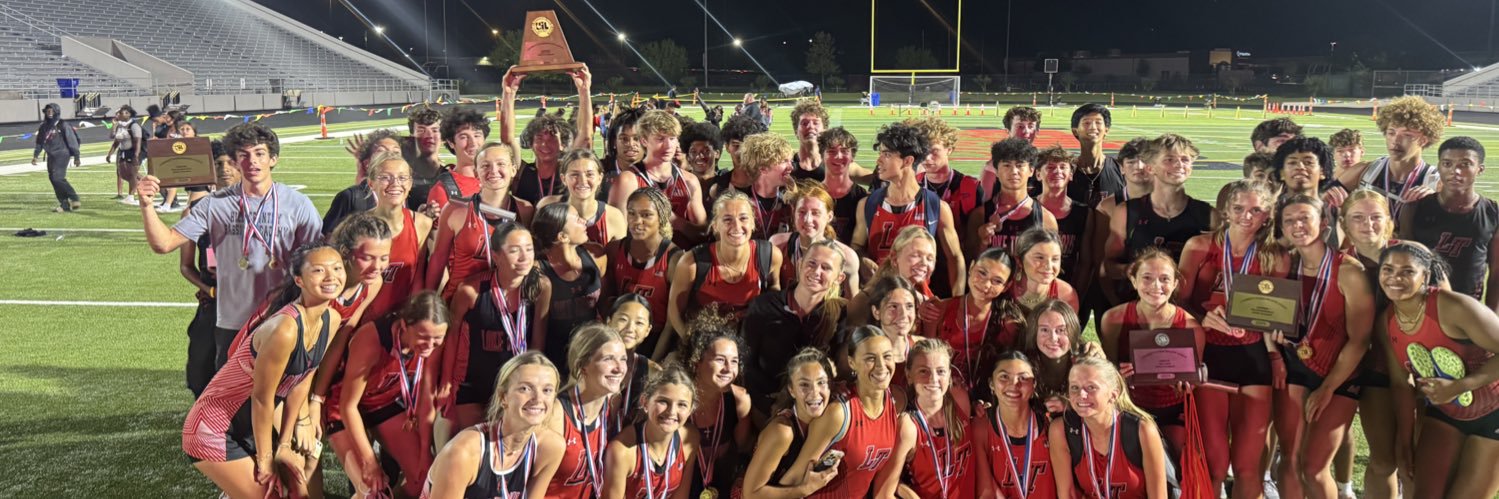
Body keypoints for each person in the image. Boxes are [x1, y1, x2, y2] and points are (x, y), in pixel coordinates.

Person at [139, 122, 323, 370]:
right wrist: (147, 205)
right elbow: (164, 243)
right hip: (232, 322)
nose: (252, 162)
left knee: (280, 399)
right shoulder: (215, 204)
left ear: (273, 159)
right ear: (236, 162)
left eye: (259, 153)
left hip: (284, 318)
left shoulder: (298, 204)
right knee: (232, 403)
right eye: (243, 155)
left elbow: (316, 262)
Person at [181, 244, 344, 498]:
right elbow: (262, 398)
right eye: (319, 270)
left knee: (297, 493)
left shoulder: (331, 320)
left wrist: (285, 445)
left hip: (249, 427)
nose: (331, 277)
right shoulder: (285, 329)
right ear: (299, 280)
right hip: (213, 428)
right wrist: (267, 459)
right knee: (272, 494)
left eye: (337, 268)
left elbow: (302, 381)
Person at [1176, 179, 1284, 498]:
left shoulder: (1274, 256)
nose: (1246, 216)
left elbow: (1279, 316)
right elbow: (1177, 302)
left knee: (1249, 467)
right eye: (1238, 209)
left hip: (1254, 359)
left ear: (1267, 215)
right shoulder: (1199, 246)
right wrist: (1201, 316)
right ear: (1226, 210)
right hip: (1209, 358)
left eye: (1256, 210)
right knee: (1215, 464)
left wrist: (1276, 358)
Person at [1263, 194, 1374, 499]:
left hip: (1339, 375)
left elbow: (1360, 340)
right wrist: (1276, 340)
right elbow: (1272, 318)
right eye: (1289, 220)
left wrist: (1327, 388)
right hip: (1295, 368)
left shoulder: (1348, 271)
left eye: (1305, 218)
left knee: (1313, 467)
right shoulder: (1285, 265)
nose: (1297, 225)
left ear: (1323, 224)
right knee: (1291, 459)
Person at [1376, 242, 1499, 498]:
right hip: (1446, 412)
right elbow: (1401, 384)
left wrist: (1461, 385)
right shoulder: (1386, 321)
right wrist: (1405, 442)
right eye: (1387, 269)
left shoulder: (1454, 307)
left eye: (1408, 271)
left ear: (1426, 275)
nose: (1395, 278)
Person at [328, 292, 448, 498]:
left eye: (437, 339)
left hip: (383, 401)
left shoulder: (434, 343)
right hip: (343, 408)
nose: (429, 346)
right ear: (403, 326)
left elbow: (426, 397)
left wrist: (424, 454)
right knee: (373, 491)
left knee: (425, 480)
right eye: (423, 337)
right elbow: (348, 407)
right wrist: (369, 460)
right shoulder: (371, 340)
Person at [440, 223, 552, 438]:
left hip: (515, 385)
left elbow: (538, 343)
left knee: (508, 447)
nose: (524, 257)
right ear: (496, 255)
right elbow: (452, 337)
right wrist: (446, 382)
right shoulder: (471, 291)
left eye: (528, 249)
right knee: (474, 444)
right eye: (514, 250)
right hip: (473, 384)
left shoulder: (541, 286)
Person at [1339, 189, 1417, 499]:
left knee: (1414, 460)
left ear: (1389, 221)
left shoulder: (1414, 255)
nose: (1367, 224)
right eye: (1357, 217)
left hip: (1418, 370)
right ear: (1344, 223)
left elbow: (1443, 306)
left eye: (1375, 217)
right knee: (1384, 460)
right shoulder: (1339, 264)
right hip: (1373, 370)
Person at [1099, 248, 1205, 454]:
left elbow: (1195, 380)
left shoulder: (1191, 326)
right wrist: (1119, 377)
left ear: (1175, 284)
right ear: (1134, 281)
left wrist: (1188, 384)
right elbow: (1107, 372)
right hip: (1129, 406)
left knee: (1172, 465)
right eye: (1147, 278)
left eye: (1164, 279)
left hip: (1172, 408)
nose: (1156, 286)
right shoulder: (1113, 319)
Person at [423, 352, 567, 499]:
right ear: (503, 397)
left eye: (547, 390)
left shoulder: (551, 447)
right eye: (525, 388)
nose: (538, 399)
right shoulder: (463, 452)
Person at [788, 326, 907, 499]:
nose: (881, 366)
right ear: (852, 362)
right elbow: (793, 478)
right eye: (870, 358)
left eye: (887, 356)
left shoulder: (895, 402)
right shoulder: (838, 413)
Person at [853, 123, 966, 294]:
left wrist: (957, 302)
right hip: (877, 298)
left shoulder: (936, 207)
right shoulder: (867, 204)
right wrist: (861, 260)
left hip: (917, 301)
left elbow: (955, 258)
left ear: (908, 161)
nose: (878, 160)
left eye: (887, 154)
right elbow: (856, 245)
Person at [1101, 134, 1212, 306]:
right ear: (1151, 167)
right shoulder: (1126, 212)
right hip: (1137, 308)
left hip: (1186, 313)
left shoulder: (1208, 215)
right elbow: (1109, 266)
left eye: (1185, 159)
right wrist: (1128, 270)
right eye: (1169, 159)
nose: (1179, 165)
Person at [742, 239, 849, 408]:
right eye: (811, 263)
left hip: (812, 406)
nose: (816, 271)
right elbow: (746, 363)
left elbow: (834, 365)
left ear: (839, 278)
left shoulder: (839, 314)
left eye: (826, 267)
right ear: (800, 264)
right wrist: (767, 404)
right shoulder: (763, 305)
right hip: (765, 403)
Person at [1049, 357, 1171, 499]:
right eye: (1075, 387)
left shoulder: (1142, 430)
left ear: (1113, 395)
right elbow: (1067, 494)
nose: (1081, 395)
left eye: (1091, 387)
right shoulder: (1061, 430)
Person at [1400, 136, 1499, 308]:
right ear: (1438, 166)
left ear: (1479, 169)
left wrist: (1492, 316)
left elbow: (1496, 273)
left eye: (1465, 164)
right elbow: (1404, 262)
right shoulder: (1415, 208)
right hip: (1421, 305)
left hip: (1468, 307)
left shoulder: (1493, 213)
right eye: (1447, 164)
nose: (1455, 171)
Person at [428, 142, 535, 300]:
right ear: (476, 173)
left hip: (507, 303)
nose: (493, 171)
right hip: (459, 302)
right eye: (485, 165)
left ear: (513, 170)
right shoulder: (456, 209)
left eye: (501, 164)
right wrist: (428, 299)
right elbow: (438, 259)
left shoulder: (525, 210)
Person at [667, 189, 782, 335]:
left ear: (753, 223)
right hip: (705, 340)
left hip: (748, 340)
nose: (736, 226)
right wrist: (691, 345)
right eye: (727, 219)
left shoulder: (770, 256)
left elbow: (774, 289)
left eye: (743, 218)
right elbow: (675, 312)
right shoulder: (692, 263)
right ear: (715, 225)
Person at [179, 142, 242, 397]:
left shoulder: (259, 207)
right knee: (201, 365)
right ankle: (205, 422)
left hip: (250, 303)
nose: (225, 169)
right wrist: (210, 290)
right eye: (218, 165)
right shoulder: (195, 211)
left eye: (231, 163)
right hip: (212, 303)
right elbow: (186, 266)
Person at [921, 247, 1025, 389]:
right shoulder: (940, 309)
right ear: (970, 268)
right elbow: (925, 359)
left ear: (1006, 286)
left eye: (997, 281)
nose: (986, 284)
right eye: (982, 273)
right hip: (940, 391)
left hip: (987, 398)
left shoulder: (1008, 324)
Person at [544, 323, 628, 499]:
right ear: (582, 366)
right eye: (608, 359)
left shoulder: (612, 404)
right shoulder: (556, 414)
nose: (619, 368)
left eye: (623, 359)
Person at [741, 349, 841, 498]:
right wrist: (805, 489)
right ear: (791, 390)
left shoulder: (824, 421)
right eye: (804, 385)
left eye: (821, 383)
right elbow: (750, 494)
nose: (815, 392)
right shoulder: (782, 431)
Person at [885, 339, 974, 498]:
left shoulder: (960, 399)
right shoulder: (908, 426)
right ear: (909, 375)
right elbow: (883, 493)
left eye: (940, 371)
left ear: (949, 373)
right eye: (923, 371)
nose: (933, 379)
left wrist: (981, 407)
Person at [601, 366, 703, 499]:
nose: (672, 412)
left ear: (690, 410)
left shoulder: (690, 439)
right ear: (645, 402)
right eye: (663, 401)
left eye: (682, 405)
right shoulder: (623, 451)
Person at [1333, 96, 1445, 217]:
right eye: (1391, 133)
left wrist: (1436, 202)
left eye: (1406, 135)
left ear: (1423, 140)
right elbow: (1319, 203)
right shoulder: (1363, 171)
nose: (1395, 140)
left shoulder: (1436, 182)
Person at [603, 188, 681, 360]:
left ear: (661, 218)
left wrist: (652, 362)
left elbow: (671, 324)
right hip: (620, 335)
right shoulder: (615, 249)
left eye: (646, 215)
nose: (637, 221)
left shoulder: (674, 259)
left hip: (656, 340)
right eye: (631, 213)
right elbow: (606, 304)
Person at [612, 109, 709, 246]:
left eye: (672, 138)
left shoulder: (689, 181)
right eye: (660, 139)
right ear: (644, 140)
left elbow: (703, 235)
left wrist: (676, 221)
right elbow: (616, 236)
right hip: (642, 262)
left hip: (681, 260)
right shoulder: (627, 181)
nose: (669, 146)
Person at [1083, 137, 1152, 328]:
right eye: (1131, 162)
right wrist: (1113, 299)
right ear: (1121, 168)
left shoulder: (1172, 204)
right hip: (1118, 291)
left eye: (1145, 160)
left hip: (1159, 292)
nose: (1139, 166)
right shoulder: (1108, 206)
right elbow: (1100, 260)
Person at [502, 65, 595, 206]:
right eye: (539, 138)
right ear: (531, 144)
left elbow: (585, 136)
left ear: (563, 144)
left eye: (552, 137)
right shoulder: (520, 172)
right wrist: (509, 93)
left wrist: (584, 91)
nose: (545, 144)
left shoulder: (570, 169)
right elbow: (507, 140)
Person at [682, 316, 753, 497]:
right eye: (720, 359)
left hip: (721, 485)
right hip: (679, 485)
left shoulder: (740, 400)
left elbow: (742, 447)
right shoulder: (677, 398)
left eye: (735, 361)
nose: (729, 368)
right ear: (697, 361)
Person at [362, 152, 435, 322]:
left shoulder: (421, 224)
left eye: (402, 178)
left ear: (410, 184)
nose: (395, 184)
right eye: (386, 177)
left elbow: (416, 278)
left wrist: (412, 317)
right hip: (363, 319)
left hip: (401, 320)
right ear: (371, 183)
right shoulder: (357, 227)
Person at [533, 202, 605, 373]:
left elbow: (603, 307)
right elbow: (538, 334)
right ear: (562, 237)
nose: (585, 222)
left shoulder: (596, 255)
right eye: (578, 219)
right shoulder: (537, 272)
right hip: (555, 361)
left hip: (590, 355)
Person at [974, 351, 1058, 499]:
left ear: (1034, 385)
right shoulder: (981, 427)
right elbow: (986, 493)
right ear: (991, 384)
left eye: (1023, 378)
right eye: (1004, 377)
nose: (1014, 384)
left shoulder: (1051, 426)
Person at [968, 138, 1058, 259]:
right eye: (1007, 165)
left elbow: (1051, 265)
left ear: (1031, 170)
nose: (1014, 171)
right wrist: (982, 242)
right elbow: (971, 263)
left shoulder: (1046, 219)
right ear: (996, 171)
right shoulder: (979, 215)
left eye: (1020, 165)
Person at [770, 180, 861, 295]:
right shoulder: (777, 245)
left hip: (826, 313)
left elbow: (852, 306)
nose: (807, 219)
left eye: (815, 213)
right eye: (802, 212)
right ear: (794, 213)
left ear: (829, 216)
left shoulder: (847, 257)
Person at [538, 149, 627, 251]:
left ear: (599, 178)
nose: (582, 181)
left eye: (589, 174)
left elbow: (619, 261)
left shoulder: (613, 216)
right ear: (563, 179)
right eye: (575, 175)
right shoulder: (548, 207)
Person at [1024, 299, 1101, 416]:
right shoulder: (1022, 364)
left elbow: (1106, 405)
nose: (1053, 338)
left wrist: (1070, 405)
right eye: (1044, 330)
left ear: (1073, 332)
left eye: (1061, 330)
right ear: (1034, 333)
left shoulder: (1087, 360)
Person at [850, 226, 940, 324]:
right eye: (916, 255)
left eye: (930, 258)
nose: (924, 263)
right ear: (894, 259)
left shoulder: (926, 303)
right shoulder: (865, 301)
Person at [323, 129, 403, 236]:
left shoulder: (411, 196)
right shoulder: (351, 198)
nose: (390, 156)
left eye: (396, 152)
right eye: (381, 152)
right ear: (367, 163)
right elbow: (326, 239)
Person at [1270, 136, 1343, 246]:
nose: (1300, 167)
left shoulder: (1336, 212)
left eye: (1308, 162)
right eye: (1292, 163)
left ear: (1323, 171)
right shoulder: (1269, 211)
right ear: (1281, 173)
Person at [1036, 146, 1090, 287]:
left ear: (1071, 174)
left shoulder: (1084, 212)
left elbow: (1086, 262)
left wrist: (1076, 293)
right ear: (1037, 174)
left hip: (1069, 286)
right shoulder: (1028, 208)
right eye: (1050, 167)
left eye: (1062, 167)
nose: (1057, 172)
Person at [605, 294, 664, 424]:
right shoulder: (590, 363)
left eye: (639, 323)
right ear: (609, 321)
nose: (630, 328)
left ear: (648, 330)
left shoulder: (653, 372)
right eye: (623, 319)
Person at [426, 108, 491, 211]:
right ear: (451, 142)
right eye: (464, 137)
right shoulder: (443, 189)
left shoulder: (496, 177)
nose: (473, 143)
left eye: (477, 135)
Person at [1065, 104, 1126, 205]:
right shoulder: (1064, 170)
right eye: (1087, 123)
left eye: (1098, 122)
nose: (1093, 127)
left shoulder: (1121, 169)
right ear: (1075, 130)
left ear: (1106, 130)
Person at [738, 132, 796, 239]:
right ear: (763, 168)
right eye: (784, 161)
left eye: (790, 161)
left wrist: (796, 199)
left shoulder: (790, 201)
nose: (791, 167)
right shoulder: (739, 203)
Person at [819, 127, 871, 244]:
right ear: (822, 156)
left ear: (852, 156)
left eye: (844, 151)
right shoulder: (812, 195)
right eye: (831, 151)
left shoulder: (863, 198)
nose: (838, 156)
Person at [979, 106, 1042, 200]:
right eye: (1020, 126)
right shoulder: (993, 166)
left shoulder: (1044, 163)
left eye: (1031, 126)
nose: (1026, 131)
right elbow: (984, 204)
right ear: (1007, 130)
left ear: (1037, 131)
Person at [1010, 229, 1080, 313]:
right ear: (1019, 261)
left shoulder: (1066, 296)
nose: (1048, 266)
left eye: (1055, 259)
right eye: (1039, 257)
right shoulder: (1003, 288)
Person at [707, 112, 770, 206]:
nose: (741, 151)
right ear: (727, 147)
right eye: (736, 145)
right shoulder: (719, 188)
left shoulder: (770, 181)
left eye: (747, 145)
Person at [31, 102, 81, 213]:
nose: (49, 112)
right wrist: (35, 155)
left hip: (62, 154)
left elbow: (72, 141)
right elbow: (39, 142)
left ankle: (74, 197)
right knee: (53, 179)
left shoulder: (63, 124)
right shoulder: (43, 126)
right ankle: (64, 204)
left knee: (58, 177)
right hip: (51, 155)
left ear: (56, 111)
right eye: (48, 110)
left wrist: (77, 156)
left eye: (52, 110)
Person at [401, 107, 445, 211]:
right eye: (421, 130)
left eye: (435, 130)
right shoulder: (401, 176)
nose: (429, 136)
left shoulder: (450, 173)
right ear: (412, 135)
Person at [600, 107, 646, 203]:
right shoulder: (600, 170)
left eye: (637, 138)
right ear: (614, 142)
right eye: (624, 139)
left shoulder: (656, 172)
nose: (631, 144)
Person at [680, 122, 725, 216]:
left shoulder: (725, 184)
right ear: (688, 156)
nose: (699, 156)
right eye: (693, 152)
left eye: (706, 151)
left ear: (717, 153)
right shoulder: (679, 184)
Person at [106, 105, 144, 204]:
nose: (118, 115)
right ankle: (145, 181)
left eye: (121, 113)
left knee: (132, 174)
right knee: (123, 173)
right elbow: (114, 138)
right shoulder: (119, 125)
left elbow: (138, 141)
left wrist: (136, 155)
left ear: (128, 114)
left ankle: (131, 196)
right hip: (123, 151)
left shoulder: (134, 125)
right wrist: (110, 154)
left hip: (133, 151)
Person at [788, 99, 829, 181]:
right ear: (796, 131)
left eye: (816, 123)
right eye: (804, 123)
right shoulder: (786, 166)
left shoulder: (835, 163)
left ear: (825, 130)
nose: (810, 126)